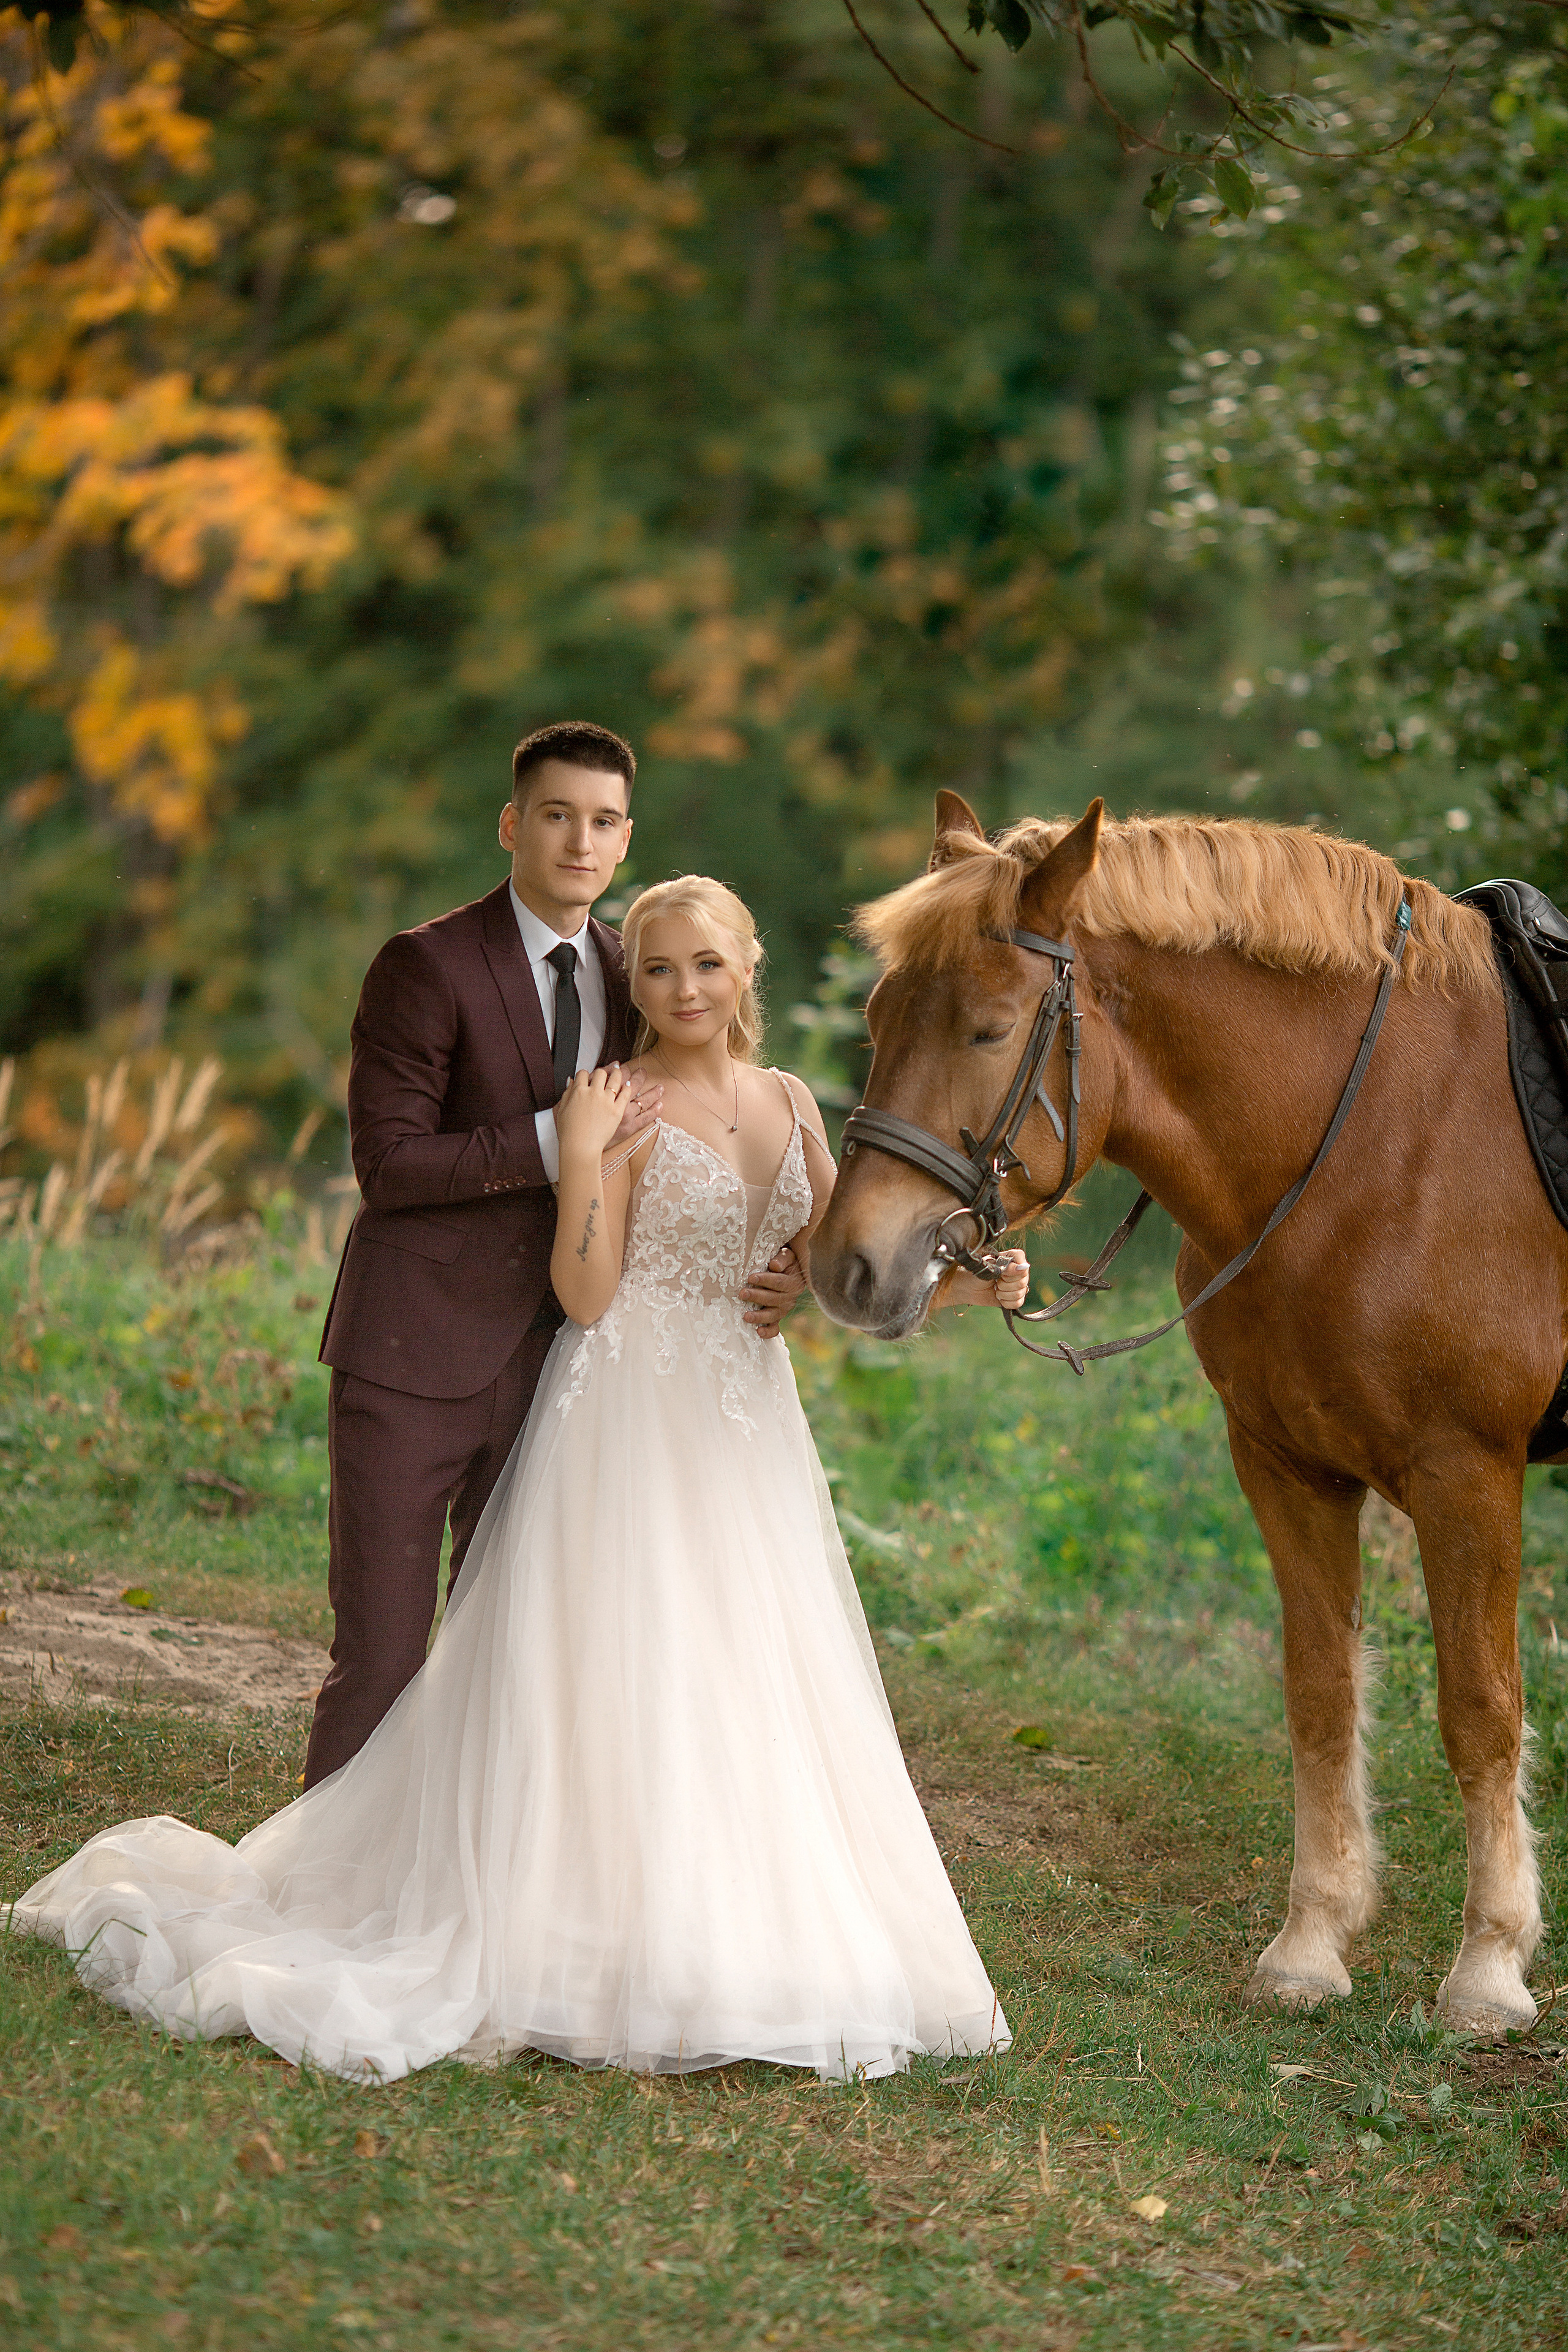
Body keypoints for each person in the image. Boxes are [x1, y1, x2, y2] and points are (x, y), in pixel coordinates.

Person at [8, 877, 1028, 2084]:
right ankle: (588, 1937)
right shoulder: (611, 1100)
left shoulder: (792, 1101)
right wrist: (587, 1151)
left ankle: (730, 1932)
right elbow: (588, 1299)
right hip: (625, 1408)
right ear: (629, 983)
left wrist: (966, 1285)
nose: (683, 990)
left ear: (746, 967)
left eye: (705, 964)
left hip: (744, 1428)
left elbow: (832, 1285)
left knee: (742, 1668)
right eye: (654, 970)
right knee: (624, 1671)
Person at [304, 720, 804, 1785]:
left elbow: (718, 1118)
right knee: (385, 1656)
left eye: (605, 820)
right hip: (417, 1357)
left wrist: (794, 1254)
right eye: (557, 815)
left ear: (627, 840)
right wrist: (555, 1141)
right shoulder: (425, 965)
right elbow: (387, 1165)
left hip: (569, 1373)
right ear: (511, 824)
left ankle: (469, 1885)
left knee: (523, 1663)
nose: (581, 841)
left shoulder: (646, 970)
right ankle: (319, 1888)